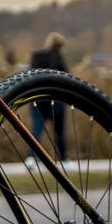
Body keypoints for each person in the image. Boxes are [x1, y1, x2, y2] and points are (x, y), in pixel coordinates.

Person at [30, 31, 69, 160]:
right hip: (56, 101)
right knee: (59, 132)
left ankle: (31, 158)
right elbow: (68, 79)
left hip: (37, 100)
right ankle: (63, 159)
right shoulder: (58, 58)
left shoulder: (37, 56)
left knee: (36, 130)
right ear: (60, 45)